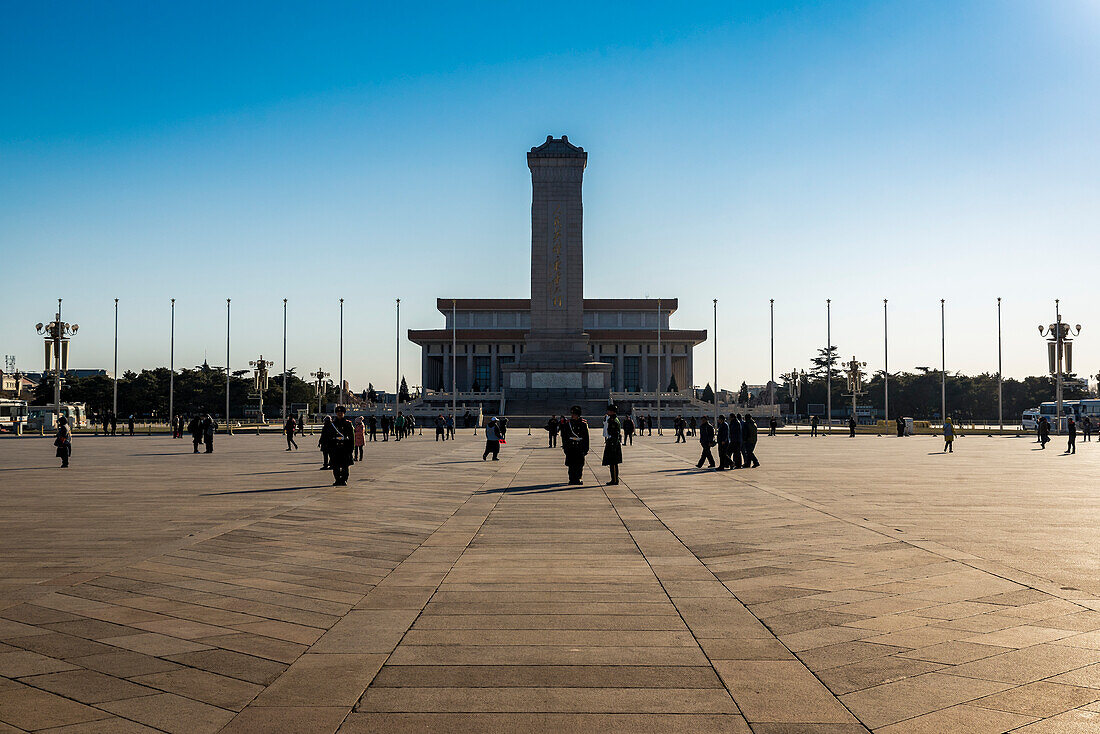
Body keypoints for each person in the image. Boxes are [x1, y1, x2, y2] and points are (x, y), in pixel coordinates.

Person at [322, 405, 355, 486]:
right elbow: (328, 436)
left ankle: (344, 480)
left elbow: (351, 437)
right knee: (335, 465)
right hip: (335, 447)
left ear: (344, 413)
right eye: (338, 412)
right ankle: (337, 480)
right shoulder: (332, 424)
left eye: (341, 412)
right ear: (336, 413)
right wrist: (329, 448)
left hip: (345, 447)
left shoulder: (348, 424)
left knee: (345, 465)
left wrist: (351, 448)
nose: (340, 414)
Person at [562, 406, 590, 484]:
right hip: (571, 446)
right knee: (571, 464)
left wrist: (586, 448)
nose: (572, 415)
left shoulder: (583, 423)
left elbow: (586, 436)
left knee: (579, 463)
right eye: (572, 414)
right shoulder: (568, 423)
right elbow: (564, 436)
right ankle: (571, 479)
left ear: (578, 415)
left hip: (579, 446)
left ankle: (578, 478)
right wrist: (565, 447)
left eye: (574, 414)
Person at [602, 404, 623, 485]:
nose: (607, 412)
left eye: (609, 411)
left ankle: (615, 480)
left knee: (613, 463)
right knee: (612, 463)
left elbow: (615, 434)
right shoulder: (611, 419)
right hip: (612, 442)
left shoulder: (613, 421)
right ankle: (613, 479)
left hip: (613, 443)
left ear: (612, 412)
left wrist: (613, 445)